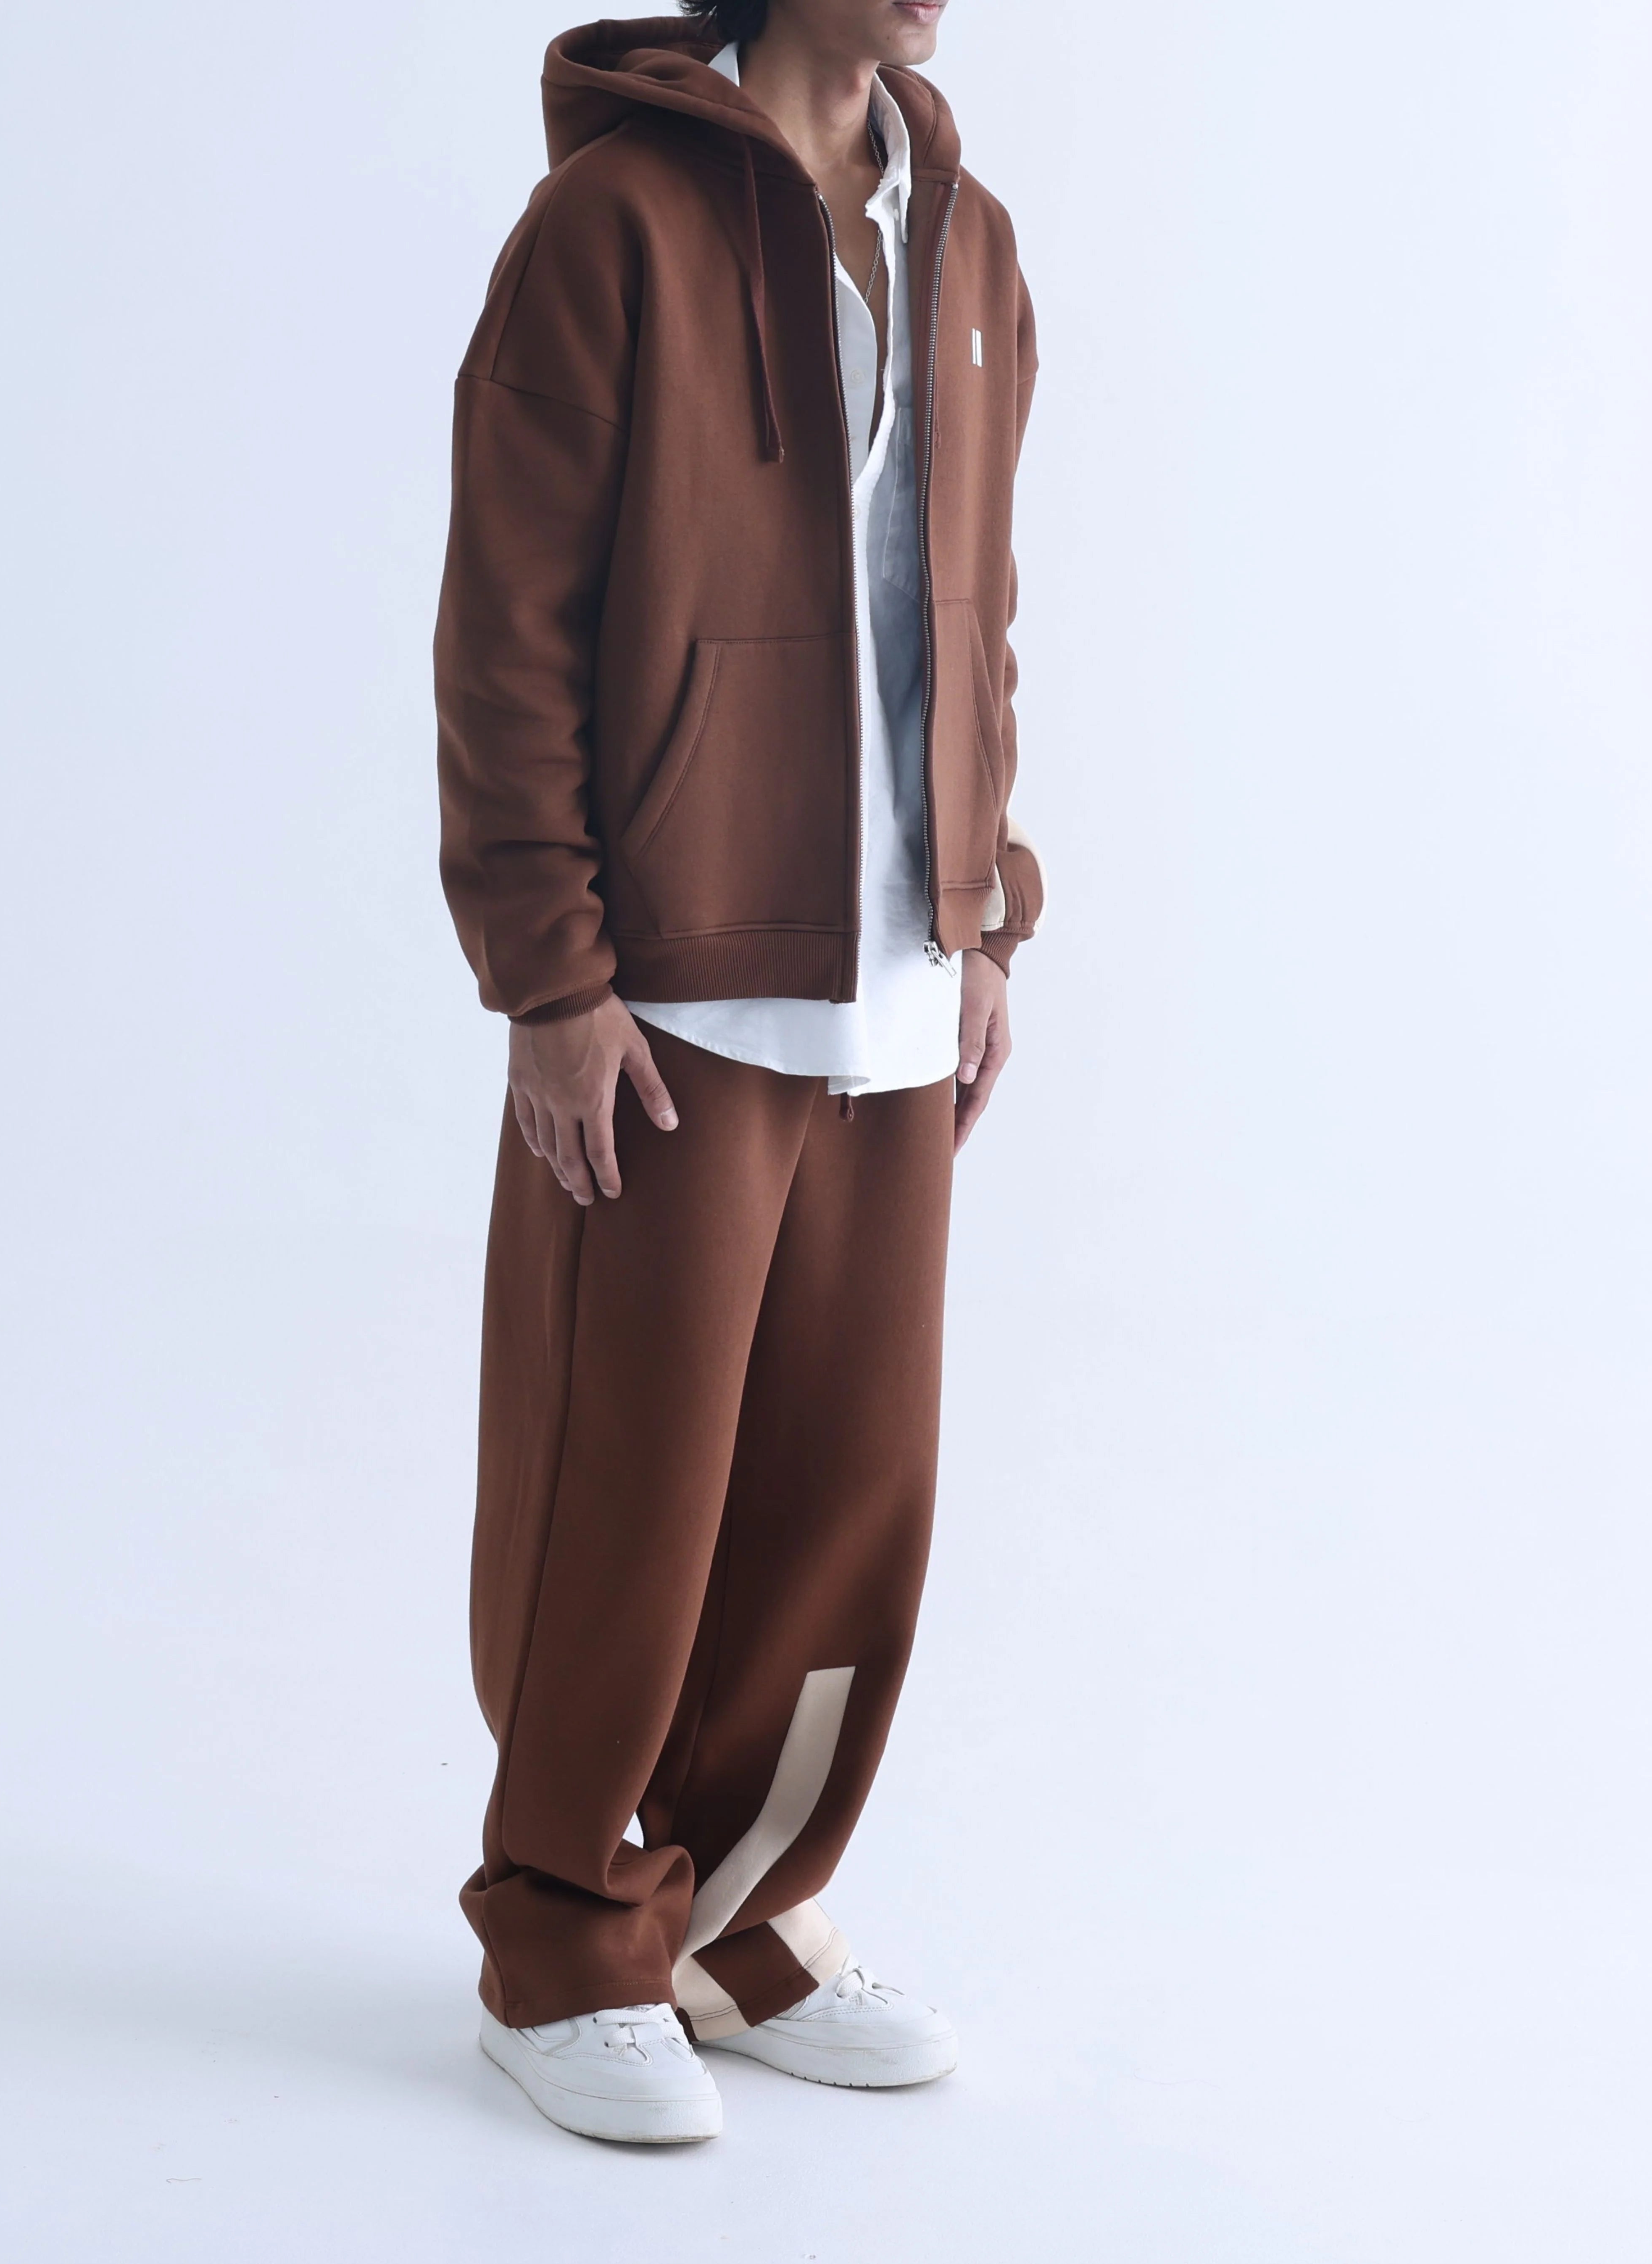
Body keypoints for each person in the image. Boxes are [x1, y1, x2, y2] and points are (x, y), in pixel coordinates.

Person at [434, 0, 1042, 2144]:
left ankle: (740, 1911)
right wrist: (549, 976)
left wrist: (987, 906)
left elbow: (969, 607)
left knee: (842, 1500)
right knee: (626, 1487)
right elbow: (507, 623)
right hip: (672, 986)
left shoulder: (972, 239)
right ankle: (560, 1931)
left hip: (896, 975)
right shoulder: (610, 227)